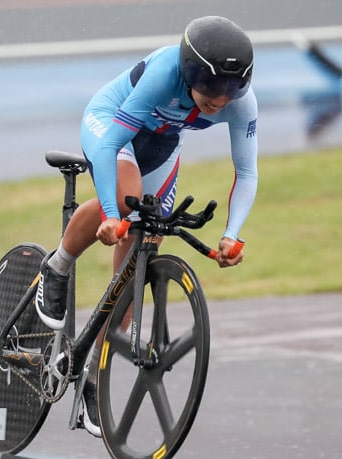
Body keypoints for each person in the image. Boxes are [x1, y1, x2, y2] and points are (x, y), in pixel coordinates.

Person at [36, 15, 258, 437]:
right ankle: (58, 265)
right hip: (112, 126)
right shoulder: (162, 75)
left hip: (160, 144)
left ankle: (93, 374)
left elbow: (246, 172)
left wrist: (232, 234)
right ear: (190, 73)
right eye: (211, 90)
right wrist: (111, 213)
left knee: (146, 241)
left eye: (231, 91)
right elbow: (112, 143)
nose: (219, 101)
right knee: (125, 200)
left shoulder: (240, 103)